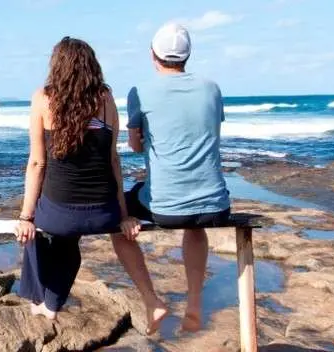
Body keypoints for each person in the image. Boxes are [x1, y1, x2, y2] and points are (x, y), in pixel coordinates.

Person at [13, 37, 168, 331]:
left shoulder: (43, 98)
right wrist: (122, 216)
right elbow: (113, 161)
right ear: (91, 66)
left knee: (40, 226)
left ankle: (44, 301)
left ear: (56, 66)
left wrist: (24, 216)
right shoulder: (106, 98)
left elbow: (37, 163)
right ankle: (49, 304)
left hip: (60, 215)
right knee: (66, 232)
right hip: (104, 213)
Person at [122, 23, 233, 333]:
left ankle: (151, 300)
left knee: (117, 220)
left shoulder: (139, 92)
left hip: (165, 206)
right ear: (188, 55)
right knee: (196, 227)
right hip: (215, 204)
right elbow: (210, 132)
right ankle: (194, 303)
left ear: (152, 55)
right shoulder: (211, 88)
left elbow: (135, 145)